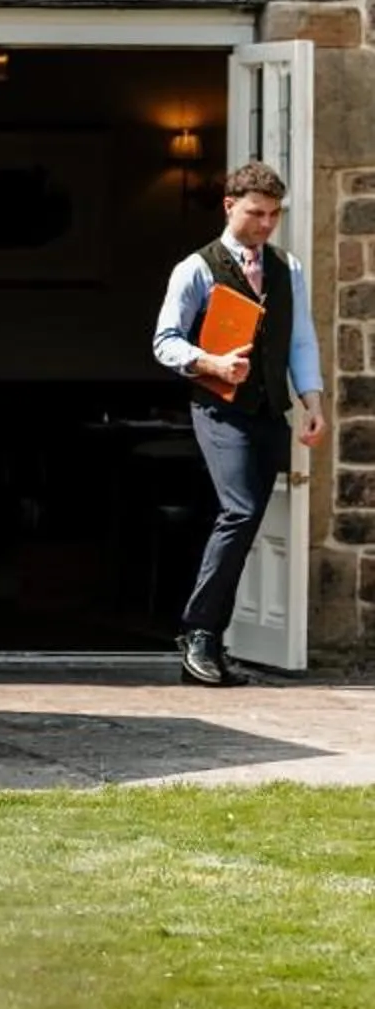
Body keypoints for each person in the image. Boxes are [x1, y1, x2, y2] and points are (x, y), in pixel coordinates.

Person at [150, 158, 327, 686]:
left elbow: (301, 340)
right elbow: (164, 342)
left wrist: (313, 401)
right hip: (218, 408)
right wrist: (211, 363)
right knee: (241, 509)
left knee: (243, 521)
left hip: (272, 409)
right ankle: (198, 633)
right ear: (230, 206)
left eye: (274, 214)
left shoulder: (287, 268)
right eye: (256, 213)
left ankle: (211, 641)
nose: (266, 224)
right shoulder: (196, 269)